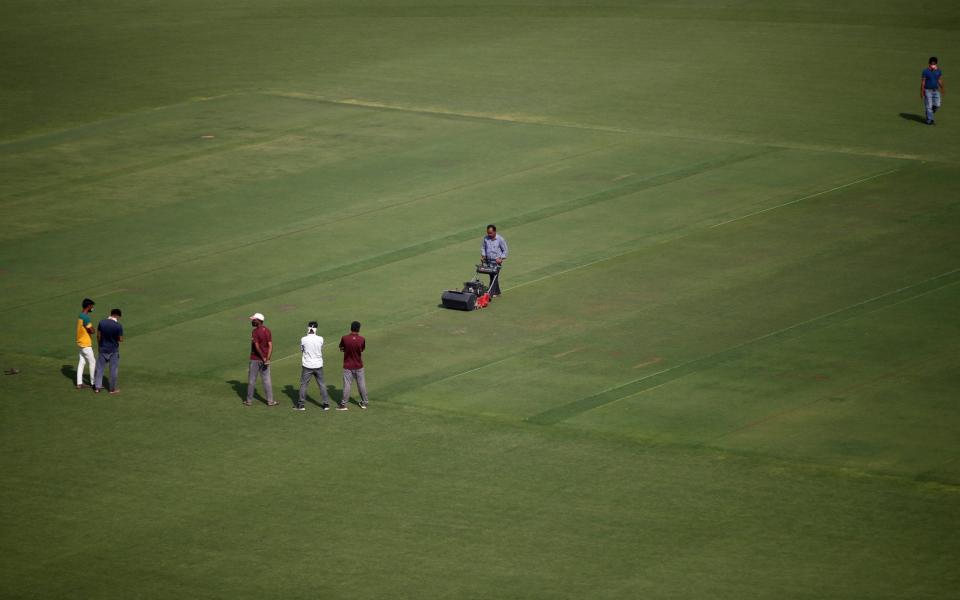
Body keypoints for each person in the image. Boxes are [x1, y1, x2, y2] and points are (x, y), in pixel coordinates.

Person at [296, 321, 331, 411]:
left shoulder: (303, 339)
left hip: (307, 365)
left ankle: (301, 405)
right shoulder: (320, 339)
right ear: (316, 329)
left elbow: (302, 350)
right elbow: (321, 348)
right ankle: (326, 404)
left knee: (304, 385)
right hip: (318, 365)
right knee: (322, 385)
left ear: (308, 328)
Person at [246, 312, 276, 406]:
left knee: (251, 381)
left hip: (255, 359)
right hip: (265, 360)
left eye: (254, 320)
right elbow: (270, 346)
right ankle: (270, 401)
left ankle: (249, 401)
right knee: (267, 380)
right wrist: (267, 358)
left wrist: (262, 357)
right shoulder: (267, 330)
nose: (252, 321)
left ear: (259, 321)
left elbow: (256, 346)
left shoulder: (255, 332)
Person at [338, 321, 368, 410]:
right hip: (359, 365)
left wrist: (345, 350)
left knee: (347, 385)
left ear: (351, 328)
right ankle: (364, 402)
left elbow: (341, 348)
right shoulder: (362, 339)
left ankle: (343, 404)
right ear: (359, 329)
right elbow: (362, 349)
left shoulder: (345, 338)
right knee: (361, 384)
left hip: (347, 366)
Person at [94, 308, 123, 394]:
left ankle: (97, 388)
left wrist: (100, 346)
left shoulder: (102, 322)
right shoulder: (118, 326)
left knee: (99, 369)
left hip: (102, 349)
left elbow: (98, 336)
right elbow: (121, 339)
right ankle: (112, 389)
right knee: (113, 370)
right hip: (113, 350)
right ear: (117, 315)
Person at [480, 224, 508, 297]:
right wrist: (483, 255)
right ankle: (497, 292)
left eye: (490, 233)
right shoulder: (486, 238)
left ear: (495, 231)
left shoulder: (500, 239)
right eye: (488, 233)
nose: (489, 234)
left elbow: (505, 251)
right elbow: (483, 247)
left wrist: (501, 258)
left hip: (496, 262)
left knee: (495, 276)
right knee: (492, 276)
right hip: (488, 261)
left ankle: (490, 293)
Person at [75, 298, 96, 389]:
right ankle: (93, 383)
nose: (92, 308)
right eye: (92, 306)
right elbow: (92, 330)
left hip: (80, 343)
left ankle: (79, 383)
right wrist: (93, 329)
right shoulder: (85, 317)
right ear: (88, 306)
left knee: (82, 362)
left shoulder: (80, 315)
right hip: (86, 344)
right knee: (93, 362)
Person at [921, 56, 944, 125]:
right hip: (927, 91)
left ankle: (929, 113)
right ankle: (929, 120)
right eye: (931, 64)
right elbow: (923, 82)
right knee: (929, 106)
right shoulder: (925, 71)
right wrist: (922, 91)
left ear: (936, 64)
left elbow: (939, 80)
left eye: (934, 64)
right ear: (929, 63)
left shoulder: (938, 71)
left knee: (937, 104)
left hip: (936, 90)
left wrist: (942, 88)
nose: (933, 65)